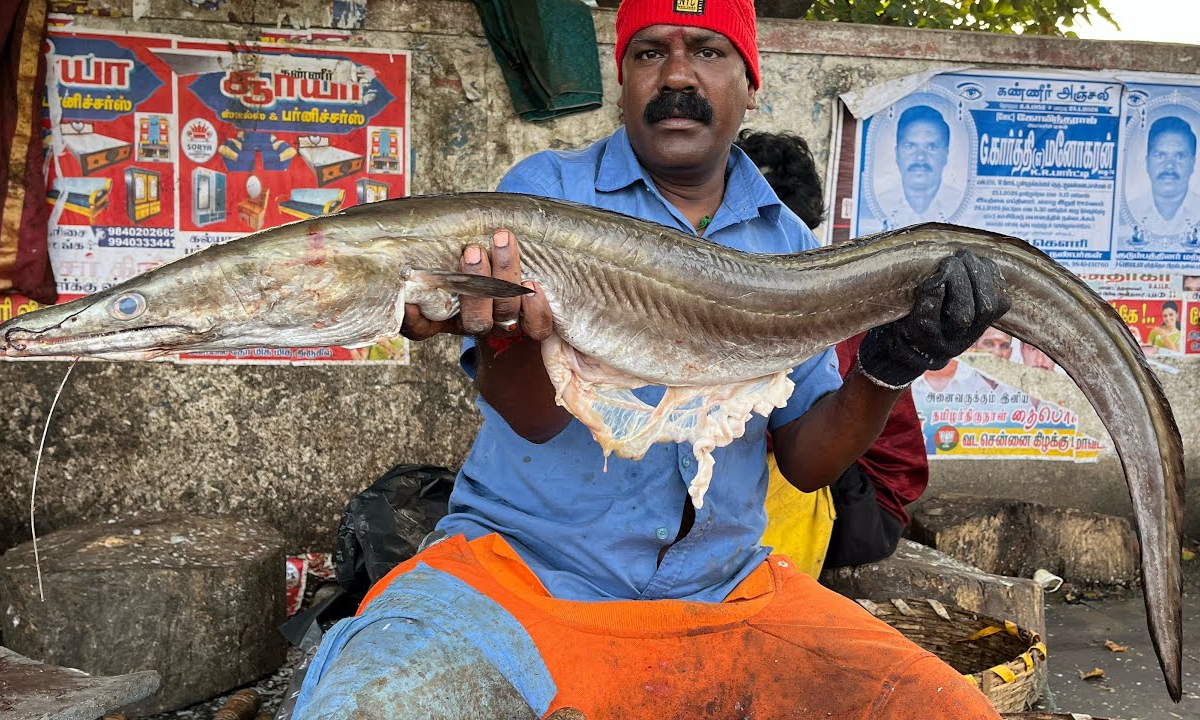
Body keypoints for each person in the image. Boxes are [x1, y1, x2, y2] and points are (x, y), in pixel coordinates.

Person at [291, 2, 1007, 717]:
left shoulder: (786, 241)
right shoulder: (543, 197)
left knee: (948, 709)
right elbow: (533, 421)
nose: (676, 76)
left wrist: (886, 369)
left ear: (751, 81)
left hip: (721, 591)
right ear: (622, 76)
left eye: (708, 50)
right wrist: (507, 336)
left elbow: (807, 460)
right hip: (519, 578)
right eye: (649, 53)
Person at [735, 128, 928, 570]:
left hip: (864, 502)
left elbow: (784, 430)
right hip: (813, 470)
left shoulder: (829, 301)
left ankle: (759, 603)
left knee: (760, 459)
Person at [875, 104, 964, 228]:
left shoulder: (960, 203)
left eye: (931, 147)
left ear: (945, 155)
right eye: (910, 146)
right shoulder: (882, 202)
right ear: (897, 154)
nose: (920, 157)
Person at [1127, 116, 1200, 240]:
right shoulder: (1130, 210)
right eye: (1160, 155)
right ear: (1147, 162)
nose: (1169, 165)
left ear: (1193, 164)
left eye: (1180, 156)